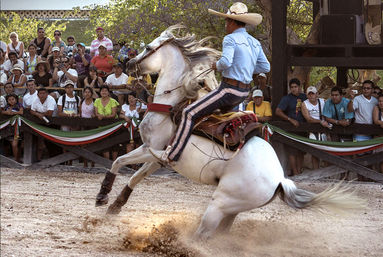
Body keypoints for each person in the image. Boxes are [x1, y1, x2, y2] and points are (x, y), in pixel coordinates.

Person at [150, 2, 270, 163]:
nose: (226, 24)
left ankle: (171, 155)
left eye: (227, 21)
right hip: (243, 93)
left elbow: (226, 62)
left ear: (233, 22)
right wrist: (245, 67)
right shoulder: (255, 42)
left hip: (228, 90)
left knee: (189, 113)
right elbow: (265, 66)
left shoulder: (230, 39)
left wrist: (216, 65)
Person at [275, 78, 307, 175]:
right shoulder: (287, 98)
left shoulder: (304, 97)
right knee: (292, 152)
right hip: (291, 128)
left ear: (299, 87)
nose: (293, 89)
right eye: (292, 87)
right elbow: (278, 111)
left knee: (302, 151)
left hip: (304, 128)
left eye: (295, 87)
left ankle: (300, 170)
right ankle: (295, 172)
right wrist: (290, 119)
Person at [301, 86, 331, 169]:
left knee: (326, 152)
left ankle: (326, 173)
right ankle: (316, 172)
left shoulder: (323, 102)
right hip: (313, 129)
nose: (311, 96)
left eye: (313, 94)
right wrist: (320, 122)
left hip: (324, 129)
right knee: (314, 152)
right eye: (309, 94)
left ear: (317, 94)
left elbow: (327, 114)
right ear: (307, 95)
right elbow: (308, 119)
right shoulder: (304, 104)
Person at [30, 87, 57, 161]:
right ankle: (38, 159)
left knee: (52, 141)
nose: (42, 95)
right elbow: (32, 111)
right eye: (40, 93)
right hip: (40, 122)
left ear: (47, 94)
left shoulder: (50, 99)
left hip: (53, 123)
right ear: (38, 94)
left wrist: (38, 113)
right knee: (38, 140)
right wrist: (38, 114)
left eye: (44, 93)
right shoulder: (36, 99)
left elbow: (50, 113)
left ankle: (53, 158)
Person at [94, 85, 119, 160]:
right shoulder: (97, 101)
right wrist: (99, 116)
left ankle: (114, 163)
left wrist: (103, 117)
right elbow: (96, 113)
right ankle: (107, 163)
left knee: (114, 144)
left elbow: (113, 114)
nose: (104, 92)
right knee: (104, 145)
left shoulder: (113, 101)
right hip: (102, 127)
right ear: (100, 92)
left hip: (113, 126)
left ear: (108, 92)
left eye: (105, 91)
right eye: (102, 91)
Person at [2, 93, 23, 162]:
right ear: (7, 101)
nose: (11, 101)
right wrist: (6, 112)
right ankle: (16, 159)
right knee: (13, 145)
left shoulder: (19, 105)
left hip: (18, 129)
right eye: (9, 100)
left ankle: (16, 160)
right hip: (9, 129)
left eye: (13, 99)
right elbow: (2, 112)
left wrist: (13, 113)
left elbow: (21, 112)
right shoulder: (7, 107)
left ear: (16, 100)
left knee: (15, 145)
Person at [373, 94, 383, 172]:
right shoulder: (376, 108)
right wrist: (381, 123)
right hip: (377, 140)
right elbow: (376, 120)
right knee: (377, 162)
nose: (381, 103)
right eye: (380, 101)